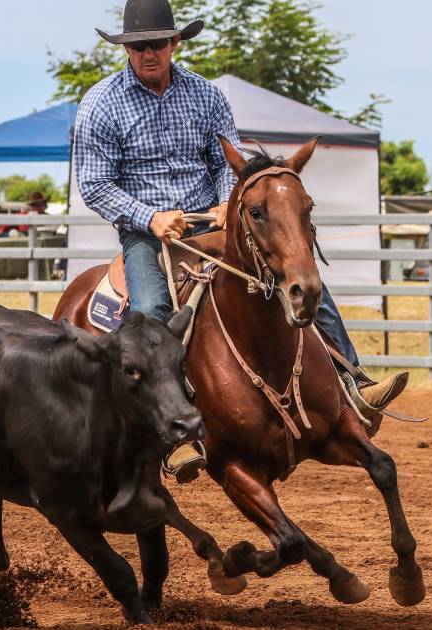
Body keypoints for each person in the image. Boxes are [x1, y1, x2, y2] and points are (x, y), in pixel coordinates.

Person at [74, 0, 408, 482]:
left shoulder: (205, 96)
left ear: (176, 43)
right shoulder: (102, 103)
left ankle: (353, 383)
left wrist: (225, 204)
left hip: (210, 222)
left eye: (158, 44)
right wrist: (150, 218)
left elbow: (224, 159)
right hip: (148, 233)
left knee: (295, 271)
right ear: (126, 49)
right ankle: (175, 437)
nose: (149, 53)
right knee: (153, 314)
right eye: (138, 46)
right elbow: (96, 183)